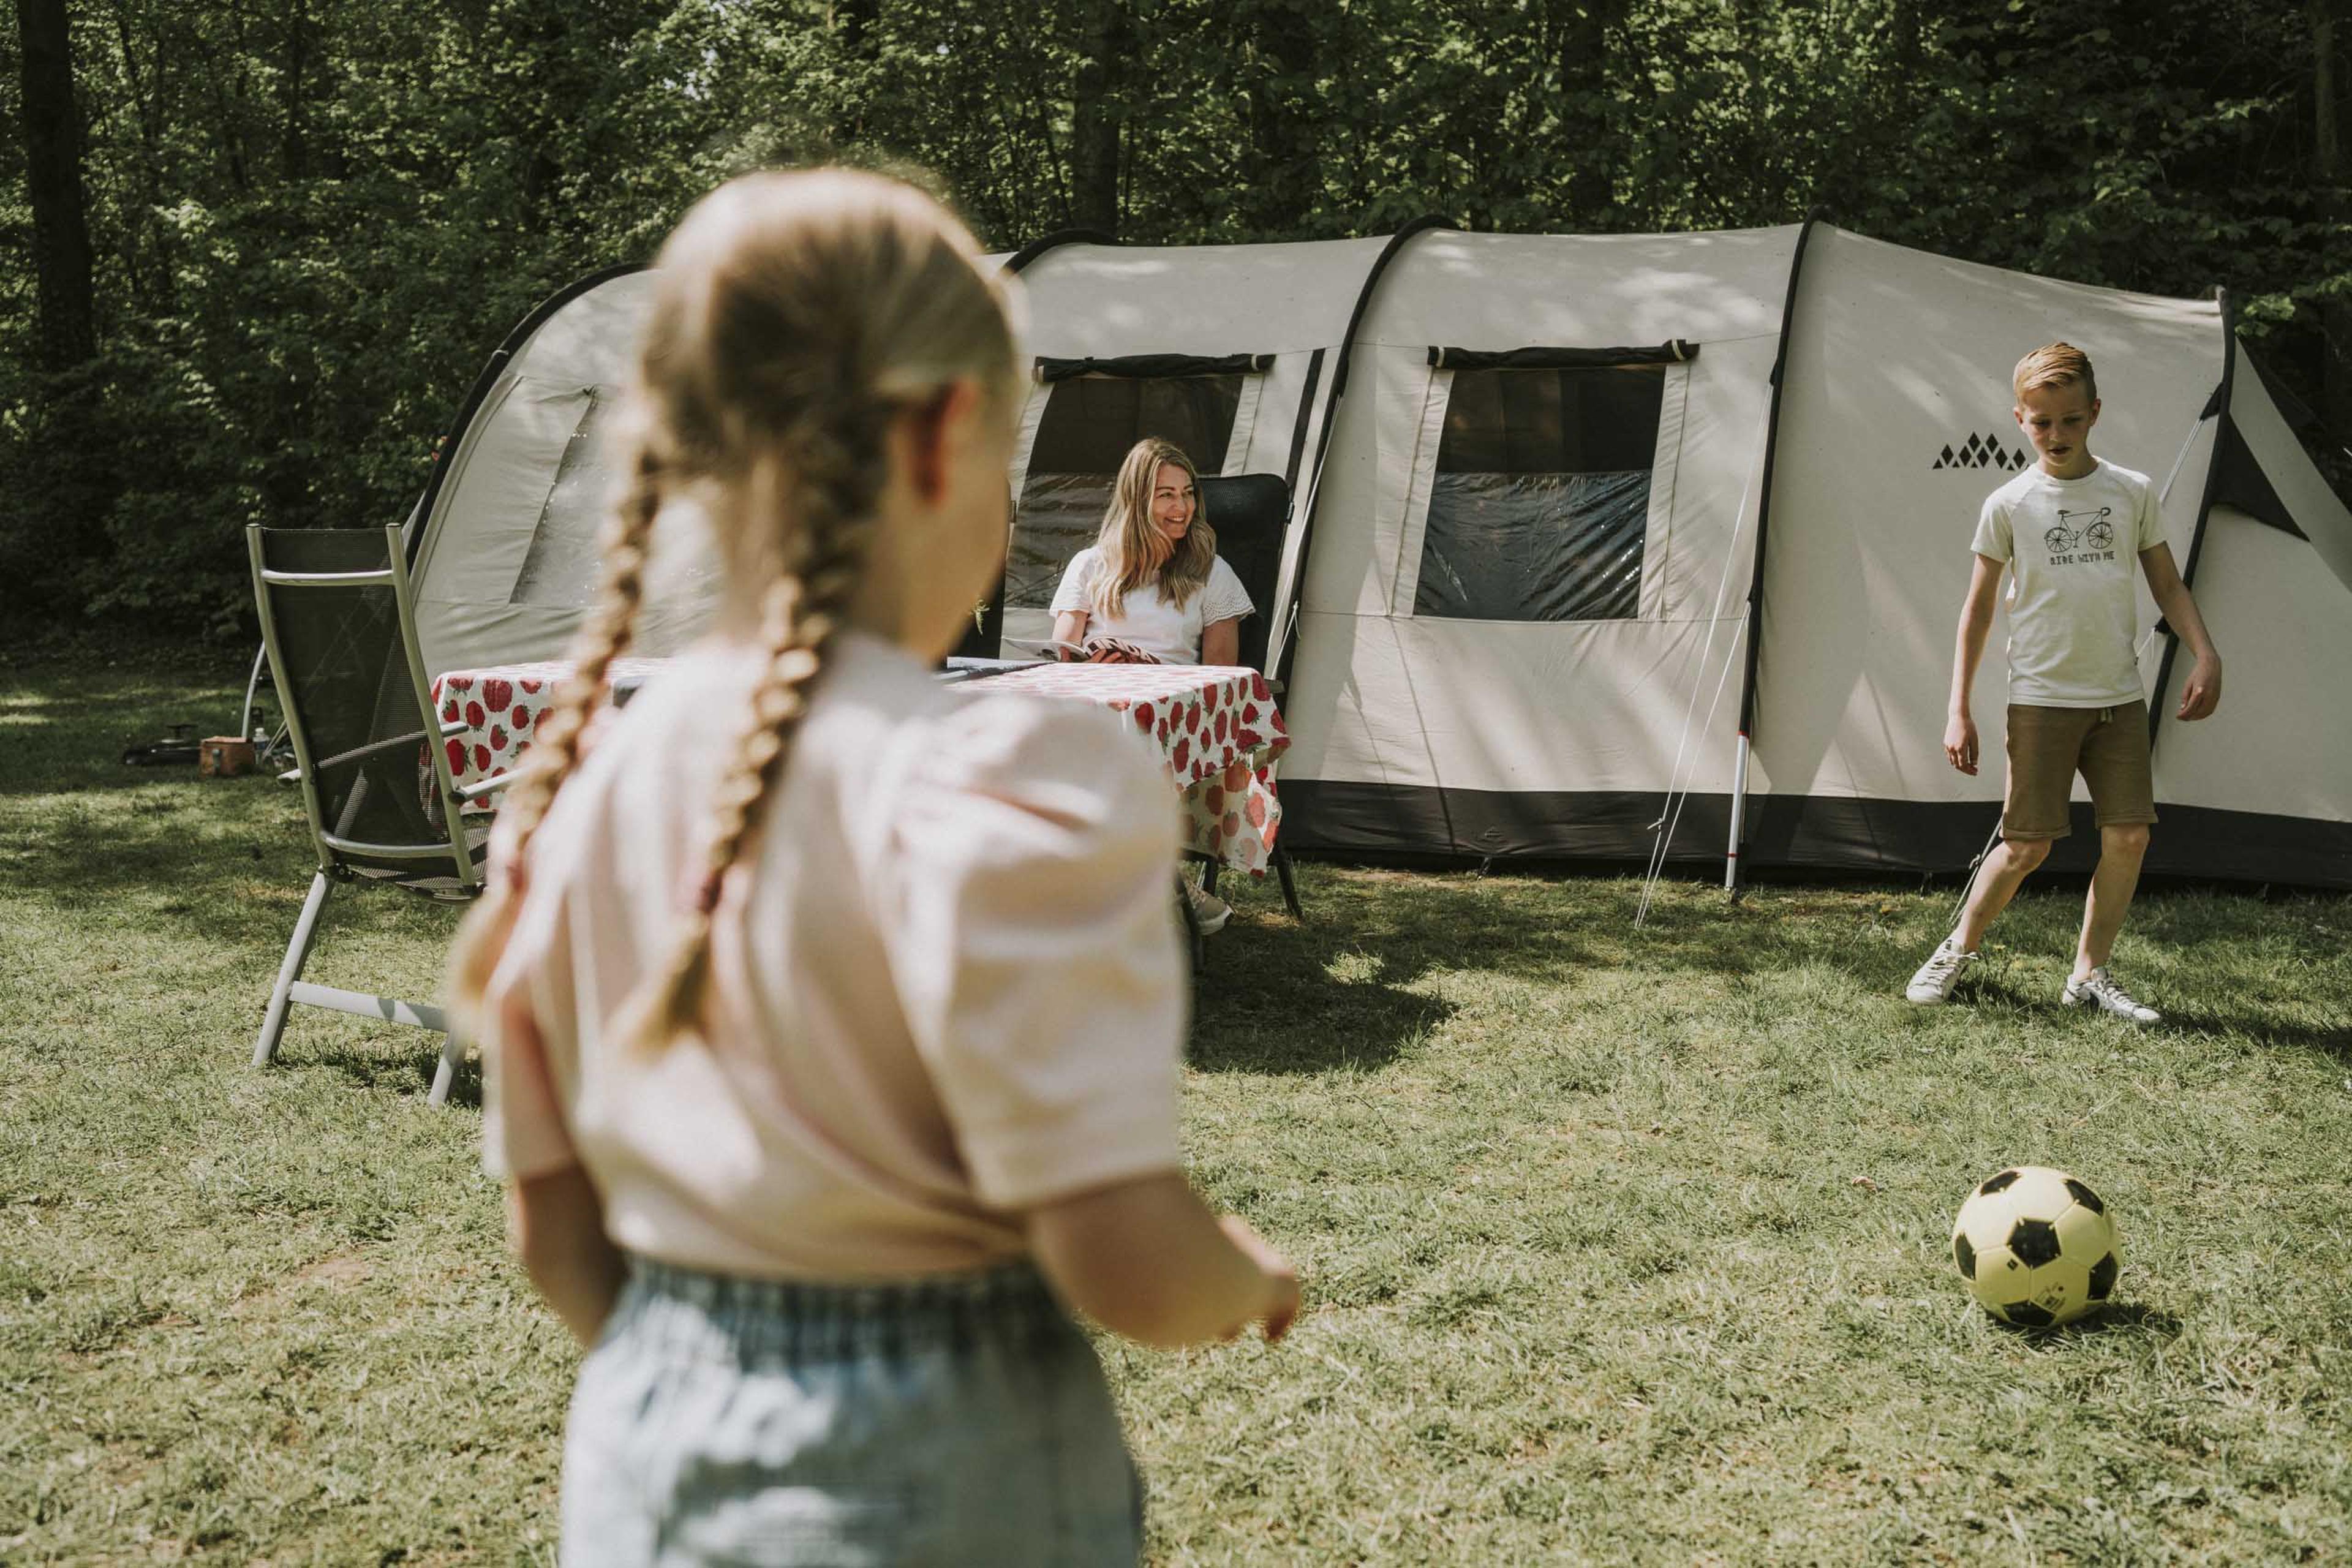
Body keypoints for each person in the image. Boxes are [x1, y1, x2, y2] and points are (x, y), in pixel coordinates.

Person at [447, 170, 1298, 1567]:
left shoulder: (582, 789)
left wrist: (714, 1369)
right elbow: (1118, 1248)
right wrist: (1238, 1277)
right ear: (948, 432)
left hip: (643, 1461)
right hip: (948, 1478)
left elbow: (554, 1232)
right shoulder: (1017, 781)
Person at [1906, 342, 2223, 1020]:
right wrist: (1956, 709)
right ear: (2020, 418)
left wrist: (2206, 654)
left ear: (2095, 414)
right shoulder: (2009, 503)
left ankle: (2089, 975)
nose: (2057, 435)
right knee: (2027, 844)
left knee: (2130, 836)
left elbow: (2166, 582)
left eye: (2071, 421)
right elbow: (1978, 611)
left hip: (2119, 699)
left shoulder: (2131, 492)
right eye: (2041, 421)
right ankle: (1956, 949)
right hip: (2042, 701)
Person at [1048, 438, 1255, 668]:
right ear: (1137, 502)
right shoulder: (1089, 564)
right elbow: (1063, 661)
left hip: (1173, 698)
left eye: (1187, 493)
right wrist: (1088, 670)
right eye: (1167, 495)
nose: (1183, 508)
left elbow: (1221, 676)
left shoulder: (1213, 571)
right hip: (1097, 693)